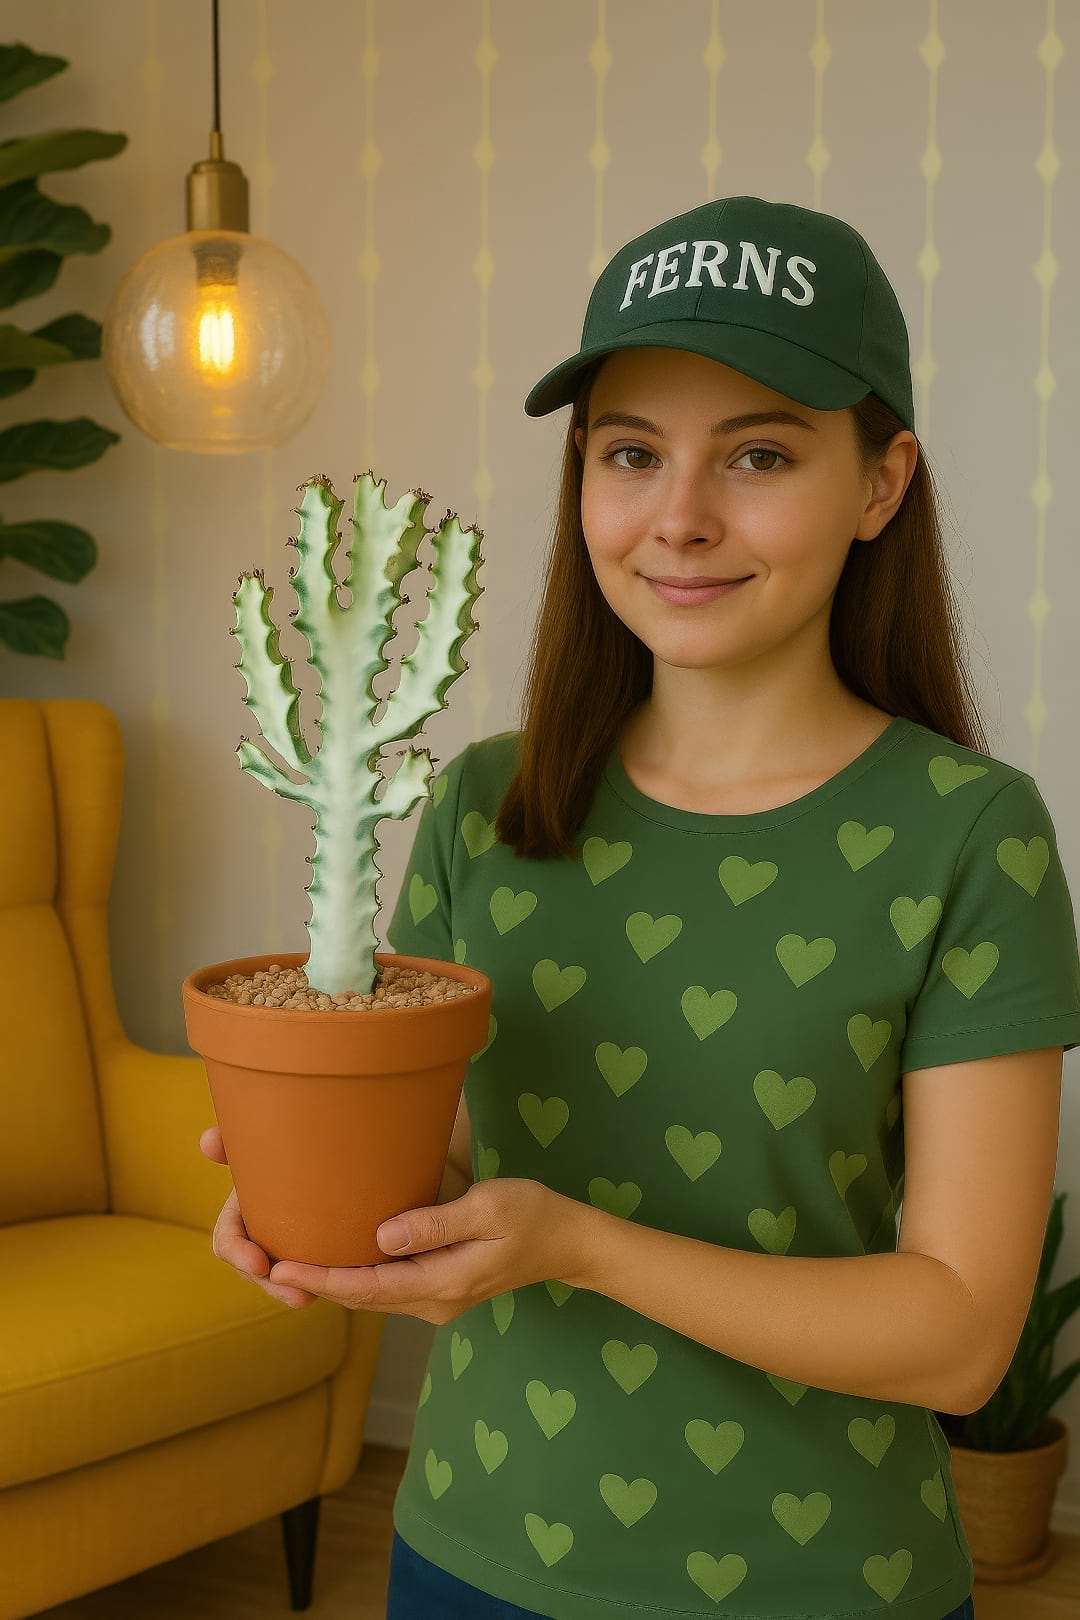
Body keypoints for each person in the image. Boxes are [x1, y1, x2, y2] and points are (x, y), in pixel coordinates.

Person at [207, 196, 1080, 1620]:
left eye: (759, 454)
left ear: (881, 483)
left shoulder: (969, 835)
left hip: (825, 1585)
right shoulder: (484, 805)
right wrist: (309, 1194)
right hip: (469, 1557)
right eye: (631, 454)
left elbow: (962, 1336)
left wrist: (578, 1245)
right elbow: (444, 1195)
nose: (679, 517)